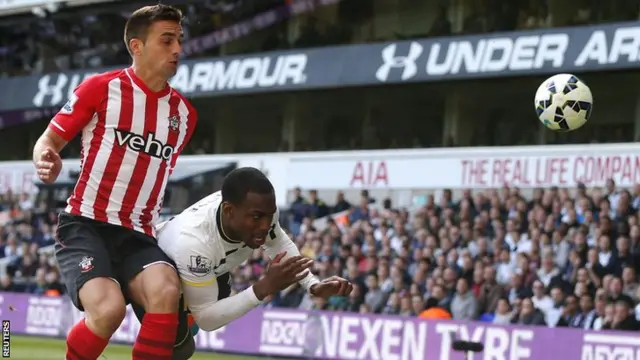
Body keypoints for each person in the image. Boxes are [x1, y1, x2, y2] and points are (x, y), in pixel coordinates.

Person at [32, 5, 197, 360]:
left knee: (166, 291)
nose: (177, 50)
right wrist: (46, 157)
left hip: (138, 234)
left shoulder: (184, 115)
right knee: (109, 311)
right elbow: (48, 140)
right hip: (86, 225)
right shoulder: (100, 88)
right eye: (166, 40)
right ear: (136, 46)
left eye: (179, 40)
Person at [135, 167, 353, 359]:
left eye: (270, 216)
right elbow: (207, 319)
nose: (265, 226)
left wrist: (313, 286)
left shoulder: (261, 212)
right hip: (159, 265)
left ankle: (187, 313)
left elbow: (279, 244)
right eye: (257, 217)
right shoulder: (194, 242)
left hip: (209, 269)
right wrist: (264, 287)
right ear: (229, 211)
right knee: (180, 350)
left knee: (216, 296)